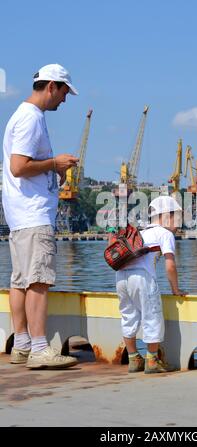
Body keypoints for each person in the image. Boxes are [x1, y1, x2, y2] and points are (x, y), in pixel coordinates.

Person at [2, 64, 80, 369]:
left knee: (21, 282)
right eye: (64, 92)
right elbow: (19, 167)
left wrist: (53, 169)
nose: (64, 100)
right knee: (38, 281)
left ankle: (21, 344)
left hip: (21, 214)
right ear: (51, 86)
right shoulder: (31, 118)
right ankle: (38, 348)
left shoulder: (22, 116)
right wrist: (56, 162)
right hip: (33, 215)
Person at [115, 195, 186, 374]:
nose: (178, 225)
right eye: (177, 219)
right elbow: (170, 266)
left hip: (121, 277)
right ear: (166, 217)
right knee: (152, 316)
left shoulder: (142, 232)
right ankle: (152, 360)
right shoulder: (165, 234)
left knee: (128, 316)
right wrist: (175, 290)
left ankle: (133, 359)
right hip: (142, 278)